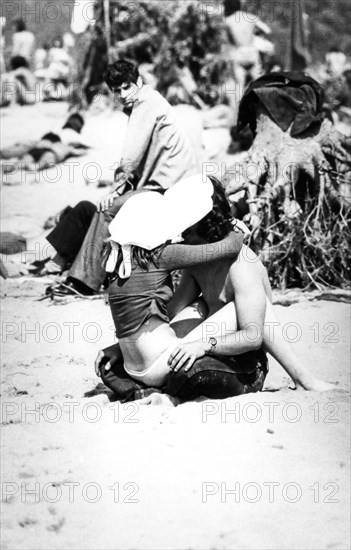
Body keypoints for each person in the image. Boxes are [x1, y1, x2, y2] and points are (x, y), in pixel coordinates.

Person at [95, 178, 334, 405]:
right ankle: (166, 389)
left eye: (185, 220)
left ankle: (303, 379)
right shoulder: (196, 259)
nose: (179, 229)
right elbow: (169, 314)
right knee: (195, 311)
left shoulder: (242, 264)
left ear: (204, 220)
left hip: (242, 359)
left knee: (197, 364)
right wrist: (126, 345)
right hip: (207, 348)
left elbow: (253, 336)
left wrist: (203, 345)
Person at [48, 59, 199, 297]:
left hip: (168, 189)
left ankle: (84, 284)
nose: (122, 94)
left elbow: (130, 158)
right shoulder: (146, 102)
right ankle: (66, 265)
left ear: (138, 82)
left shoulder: (146, 104)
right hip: (157, 186)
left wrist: (116, 190)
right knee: (88, 209)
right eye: (116, 90)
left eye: (126, 87)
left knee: (107, 209)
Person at [97, 175, 245, 393]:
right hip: (159, 364)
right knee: (237, 308)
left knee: (200, 306)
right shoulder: (163, 255)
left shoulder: (119, 260)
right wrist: (236, 227)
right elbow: (229, 248)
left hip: (132, 366)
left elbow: (158, 311)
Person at [1, 113, 88, 175]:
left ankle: (20, 166)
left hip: (47, 144)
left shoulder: (68, 132)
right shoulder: (65, 131)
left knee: (32, 156)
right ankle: (32, 166)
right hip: (47, 144)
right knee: (37, 156)